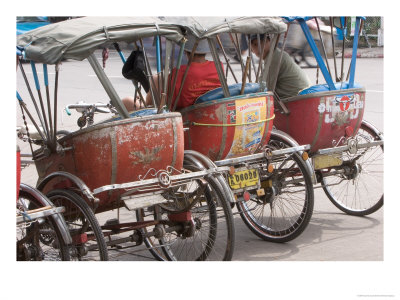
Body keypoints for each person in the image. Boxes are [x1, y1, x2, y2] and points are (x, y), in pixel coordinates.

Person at [122, 35, 222, 111]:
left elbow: (166, 102)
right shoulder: (219, 66)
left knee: (126, 101)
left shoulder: (180, 72)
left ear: (185, 52)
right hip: (210, 109)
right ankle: (144, 99)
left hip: (185, 114)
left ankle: (143, 100)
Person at [250, 34, 311, 99]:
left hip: (295, 96)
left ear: (269, 42)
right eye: (255, 45)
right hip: (298, 93)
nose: (259, 48)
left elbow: (265, 87)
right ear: (251, 49)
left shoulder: (275, 57)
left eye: (262, 43)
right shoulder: (273, 55)